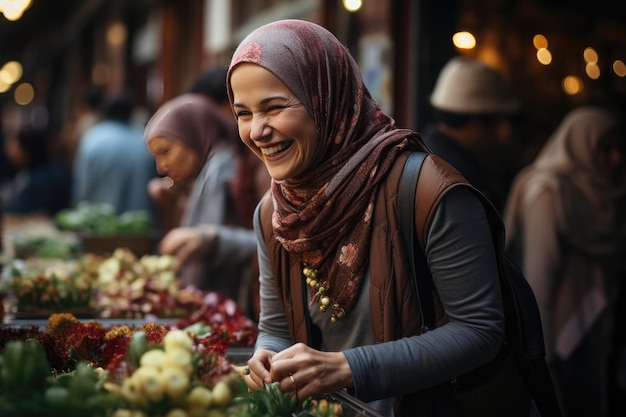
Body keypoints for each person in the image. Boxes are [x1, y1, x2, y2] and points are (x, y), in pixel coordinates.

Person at [227, 19, 534, 416]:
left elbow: (480, 330)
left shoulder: (428, 191)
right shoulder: (275, 210)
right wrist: (267, 357)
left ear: (327, 97)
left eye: (274, 107)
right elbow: (276, 328)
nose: (257, 130)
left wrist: (347, 366)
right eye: (243, 113)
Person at [503, 106, 626, 417]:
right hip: (560, 344)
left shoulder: (603, 194)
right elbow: (538, 283)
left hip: (598, 335)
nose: (616, 159)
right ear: (580, 146)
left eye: (618, 148)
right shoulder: (548, 192)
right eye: (605, 149)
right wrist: (542, 363)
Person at [144, 93, 269, 311]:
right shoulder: (213, 169)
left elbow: (272, 244)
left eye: (166, 151)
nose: (161, 167)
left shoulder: (236, 169)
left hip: (251, 309)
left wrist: (208, 239)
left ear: (195, 136)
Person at [421, 56, 520, 213]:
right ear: (476, 121)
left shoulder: (428, 152)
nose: (502, 132)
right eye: (497, 121)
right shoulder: (457, 179)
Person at [72, 93, 157, 220]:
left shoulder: (93, 138)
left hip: (98, 227)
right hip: (138, 228)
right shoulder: (145, 141)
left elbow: (82, 185)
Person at [1, 126, 72, 216]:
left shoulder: (43, 179)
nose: (8, 150)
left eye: (13, 145)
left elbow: (28, 212)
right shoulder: (32, 171)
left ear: (26, 150)